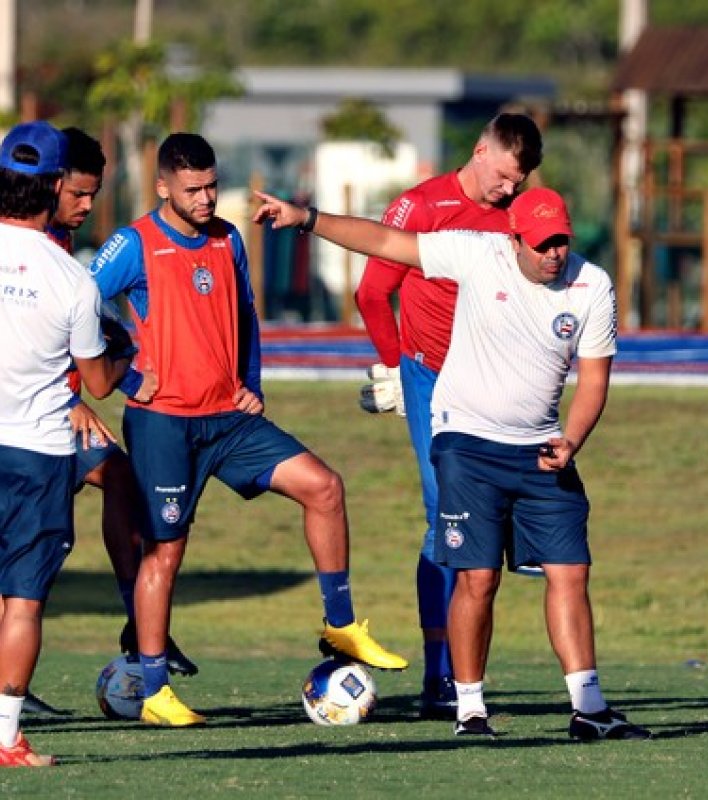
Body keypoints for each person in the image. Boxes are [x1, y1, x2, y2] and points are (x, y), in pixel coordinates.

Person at [254, 186, 651, 741]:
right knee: (478, 578)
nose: (554, 253)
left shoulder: (593, 285)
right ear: (514, 239)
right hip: (467, 442)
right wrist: (307, 219)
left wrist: (573, 439)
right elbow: (386, 240)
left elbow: (593, 378)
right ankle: (470, 710)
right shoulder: (477, 253)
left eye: (561, 241)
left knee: (571, 572)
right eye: (541, 244)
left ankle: (588, 708)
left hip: (541, 448)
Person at [88, 133, 408, 728]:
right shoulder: (133, 244)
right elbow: (77, 306)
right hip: (164, 424)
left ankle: (340, 626)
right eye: (193, 190)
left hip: (230, 421)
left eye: (212, 185)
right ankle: (154, 689)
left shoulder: (228, 238)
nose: (207, 198)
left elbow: (247, 315)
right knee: (166, 551)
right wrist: (126, 378)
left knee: (325, 487)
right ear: (164, 188)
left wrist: (251, 382)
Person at [353, 112, 543, 719]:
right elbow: (370, 292)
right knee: (444, 512)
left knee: (495, 517)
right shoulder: (420, 206)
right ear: (482, 150)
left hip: (497, 378)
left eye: (521, 181)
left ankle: (466, 673)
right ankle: (441, 678)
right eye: (506, 177)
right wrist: (390, 369)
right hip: (430, 376)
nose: (510, 191)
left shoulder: (518, 216)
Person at [0, 120, 134, 765]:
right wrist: (122, 343)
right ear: (55, 186)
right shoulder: (71, 279)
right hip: (38, 452)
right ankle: (5, 740)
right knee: (22, 600)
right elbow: (102, 381)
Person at [51, 127, 198, 679]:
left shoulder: (60, 243)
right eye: (79, 195)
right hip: (25, 416)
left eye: (95, 194)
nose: (88, 206)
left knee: (121, 479)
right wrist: (70, 399)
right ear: (50, 183)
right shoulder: (20, 244)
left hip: (53, 407)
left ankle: (139, 622)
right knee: (31, 556)